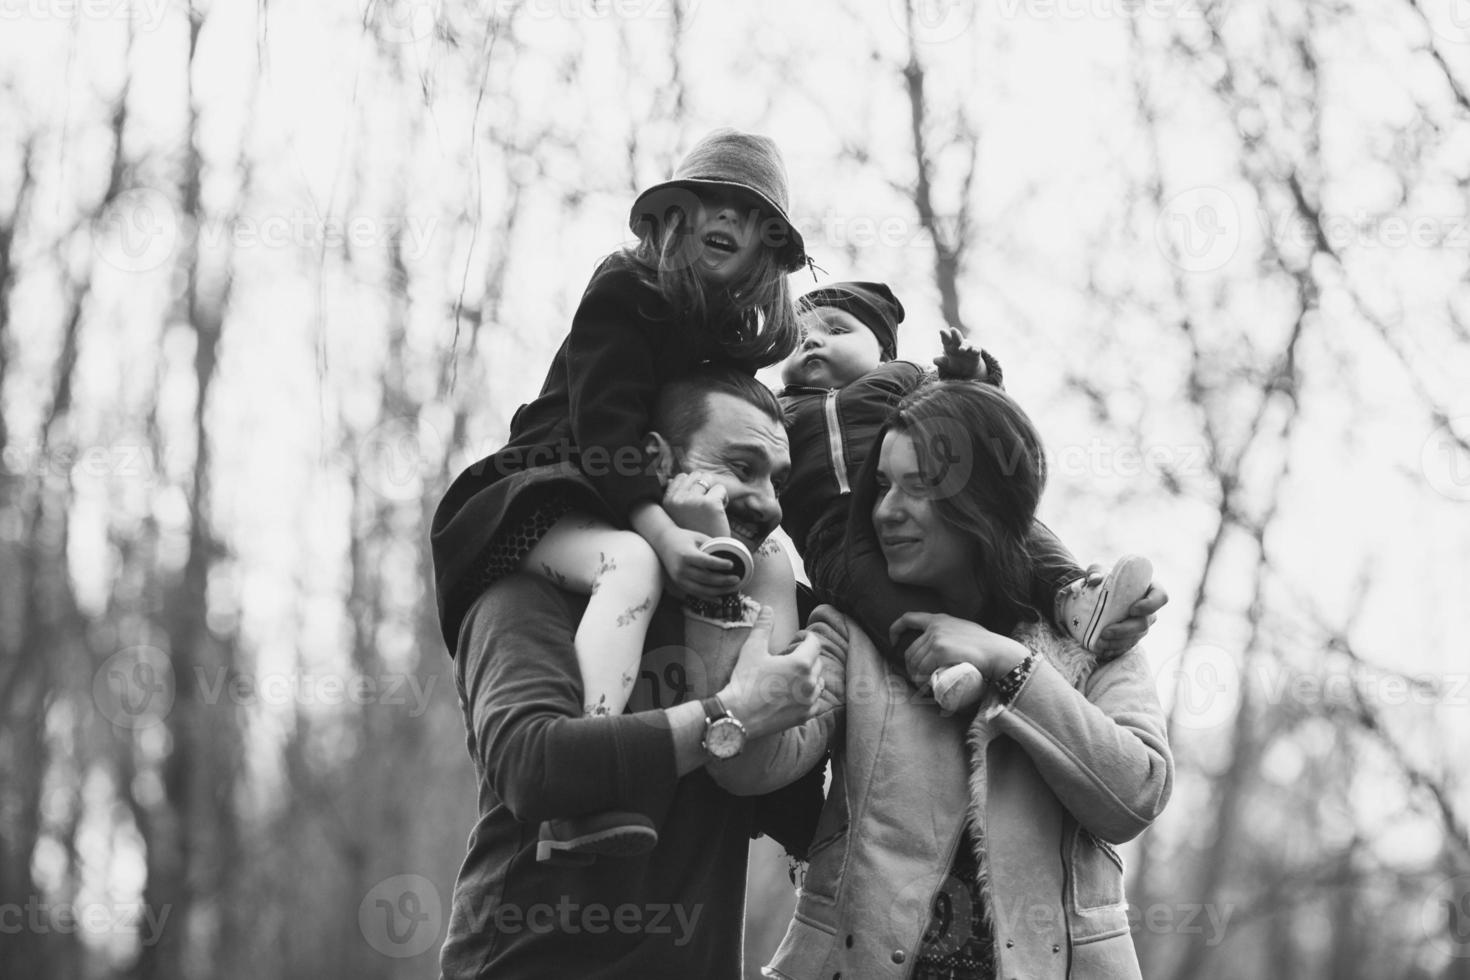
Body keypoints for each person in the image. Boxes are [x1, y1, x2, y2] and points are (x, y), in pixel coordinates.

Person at [431, 128, 807, 859]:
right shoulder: (627, 291)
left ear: (770, 246)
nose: (726, 219)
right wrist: (664, 535)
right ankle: (590, 802)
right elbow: (604, 429)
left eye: (749, 213)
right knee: (631, 567)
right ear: (674, 218)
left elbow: (753, 437)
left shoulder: (719, 336)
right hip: (541, 498)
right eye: (710, 202)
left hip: (615, 508)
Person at [764, 379, 1174, 980]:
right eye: (881, 485)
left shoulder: (1091, 633)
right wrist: (756, 583)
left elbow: (1134, 797)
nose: (886, 512)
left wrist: (1010, 665)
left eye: (919, 487)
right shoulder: (854, 633)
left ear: (983, 502)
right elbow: (755, 762)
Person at [436, 368, 837, 980]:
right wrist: (728, 718)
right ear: (655, 460)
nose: (770, 504)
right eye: (741, 466)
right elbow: (532, 763)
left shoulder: (758, 619)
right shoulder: (528, 592)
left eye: (777, 481)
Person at [776, 281, 1163, 707]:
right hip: (832, 535)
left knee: (1014, 526)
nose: (811, 339)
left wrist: (971, 374)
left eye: (836, 329)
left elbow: (976, 419)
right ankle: (938, 666)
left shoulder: (903, 380)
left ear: (883, 349)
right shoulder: (777, 409)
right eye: (797, 336)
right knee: (870, 592)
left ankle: (1075, 595)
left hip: (943, 510)